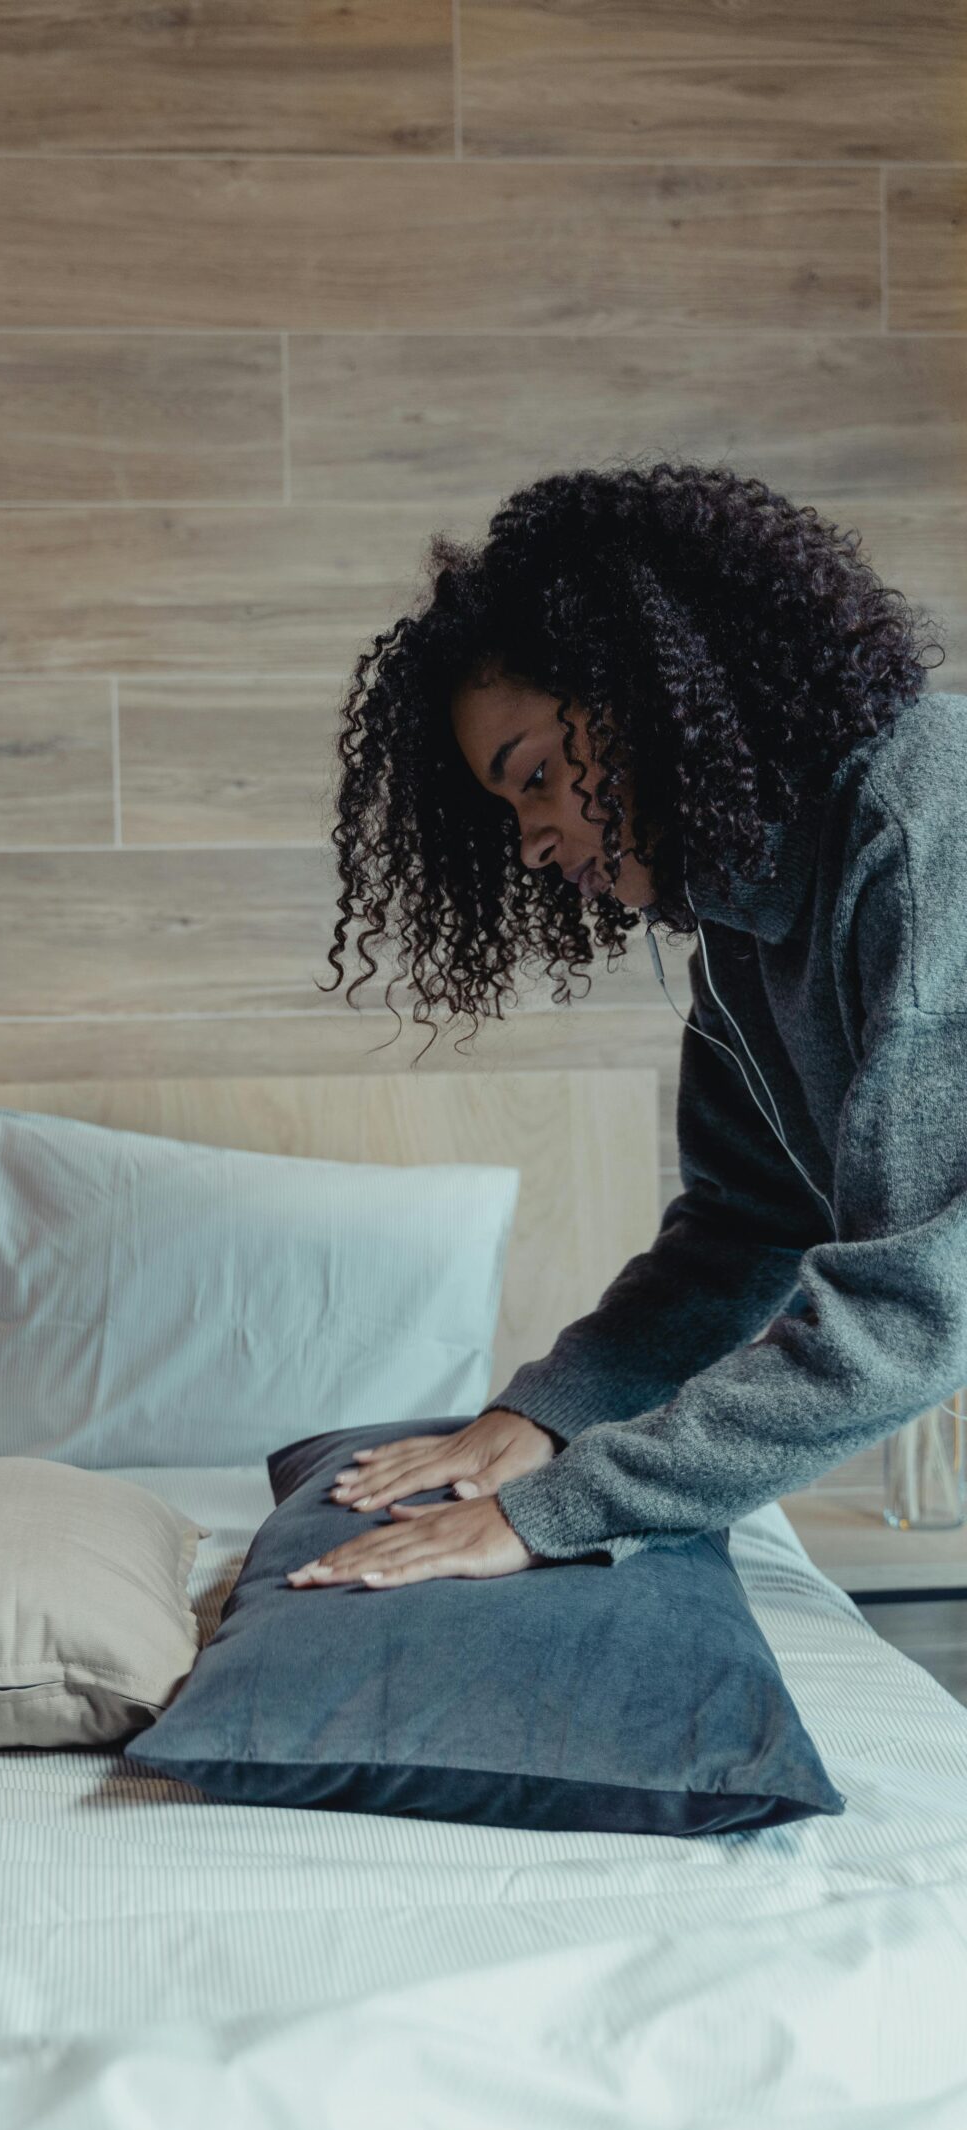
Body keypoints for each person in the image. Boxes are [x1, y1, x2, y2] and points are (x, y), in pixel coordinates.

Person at [287, 458, 957, 1593]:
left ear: (651, 693)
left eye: (538, 775)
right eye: (511, 813)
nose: (538, 843)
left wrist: (563, 1507)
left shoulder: (918, 828)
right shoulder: (742, 918)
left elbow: (916, 1303)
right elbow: (746, 1227)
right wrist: (551, 1410)